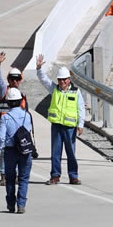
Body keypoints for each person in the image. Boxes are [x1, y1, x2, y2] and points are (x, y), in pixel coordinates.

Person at [36, 55, 85, 185]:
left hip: (70, 127)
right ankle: (55, 176)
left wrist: (80, 124)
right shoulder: (55, 89)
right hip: (57, 126)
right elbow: (43, 80)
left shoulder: (76, 92)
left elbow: (81, 108)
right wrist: (39, 68)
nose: (62, 82)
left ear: (69, 80)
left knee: (71, 153)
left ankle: (73, 176)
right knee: (55, 153)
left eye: (64, 80)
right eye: (60, 80)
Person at [0, 87, 33, 213]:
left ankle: (11, 204)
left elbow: (1, 136)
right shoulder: (27, 116)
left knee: (10, 178)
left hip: (10, 151)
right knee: (24, 178)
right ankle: (21, 205)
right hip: (25, 149)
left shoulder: (5, 118)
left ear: (9, 102)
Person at [0, 52, 29, 186]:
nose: (14, 81)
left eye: (17, 79)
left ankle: (17, 175)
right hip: (6, 125)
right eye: (12, 79)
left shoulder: (22, 94)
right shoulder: (4, 90)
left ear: (20, 80)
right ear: (8, 79)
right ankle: (4, 175)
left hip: (19, 129)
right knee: (4, 151)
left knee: (19, 151)